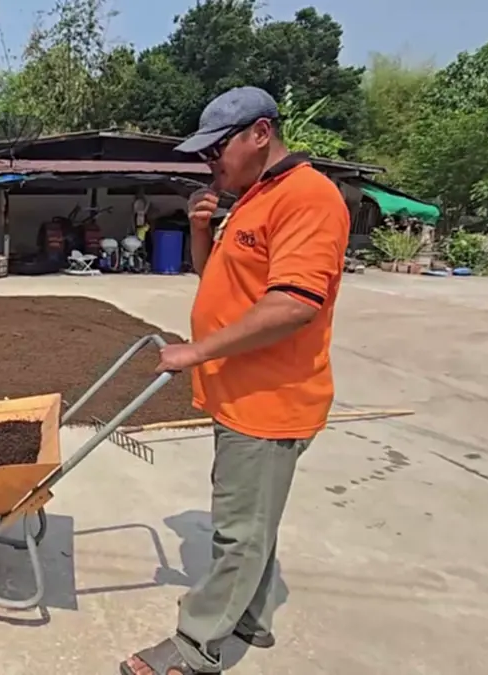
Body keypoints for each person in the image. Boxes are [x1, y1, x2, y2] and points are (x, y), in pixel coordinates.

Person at [120, 86, 351, 675]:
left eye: (216, 149)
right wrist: (203, 230)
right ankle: (251, 617)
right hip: (240, 394)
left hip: (271, 399)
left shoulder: (308, 198)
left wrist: (195, 351)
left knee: (238, 532)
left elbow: (294, 304)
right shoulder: (253, 197)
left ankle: (196, 645)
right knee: (255, 519)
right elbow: (219, 282)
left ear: (261, 133)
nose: (211, 164)